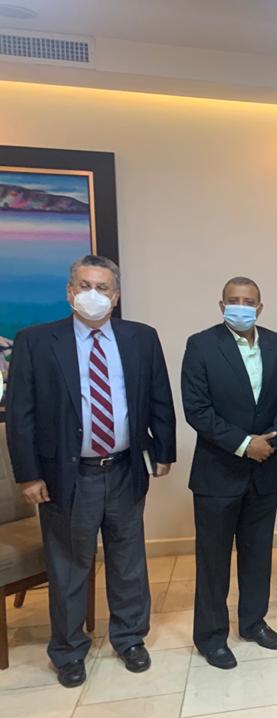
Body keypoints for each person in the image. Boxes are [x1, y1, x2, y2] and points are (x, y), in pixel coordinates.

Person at [5, 255, 176, 687]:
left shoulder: (141, 338)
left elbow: (159, 397)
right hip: (66, 476)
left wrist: (164, 451)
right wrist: (28, 475)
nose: (93, 295)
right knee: (69, 566)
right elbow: (20, 415)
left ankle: (130, 638)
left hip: (124, 469)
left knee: (128, 561)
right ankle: (67, 650)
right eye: (85, 286)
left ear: (116, 297)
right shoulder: (36, 342)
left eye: (103, 288)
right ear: (70, 292)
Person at [181, 277, 277, 669]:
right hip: (217, 472)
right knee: (213, 561)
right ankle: (211, 637)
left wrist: (270, 442)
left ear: (260, 307)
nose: (241, 306)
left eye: (248, 301)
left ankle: (253, 622)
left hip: (265, 469)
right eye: (234, 300)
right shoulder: (201, 345)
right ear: (221, 306)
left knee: (257, 554)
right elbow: (196, 409)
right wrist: (244, 443)